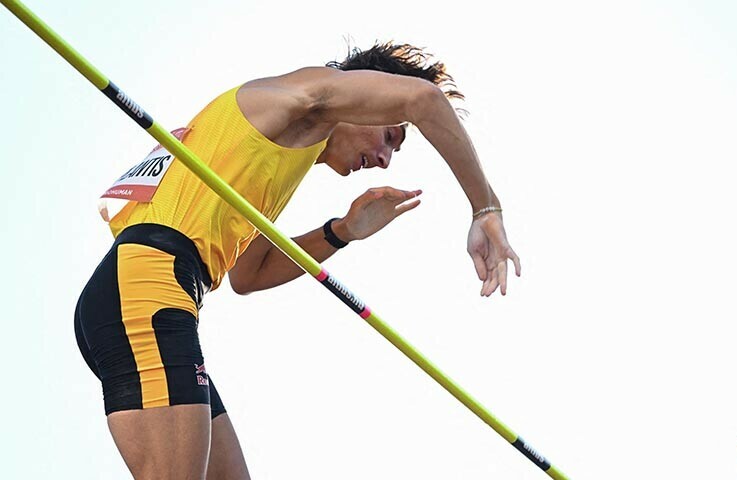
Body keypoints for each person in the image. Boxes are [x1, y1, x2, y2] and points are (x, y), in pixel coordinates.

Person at [74, 42, 521, 479]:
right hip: (146, 286)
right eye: (390, 136)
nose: (384, 161)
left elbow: (248, 275)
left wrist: (341, 232)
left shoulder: (277, 155)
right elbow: (424, 98)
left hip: (155, 291)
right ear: (367, 97)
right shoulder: (307, 93)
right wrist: (486, 207)